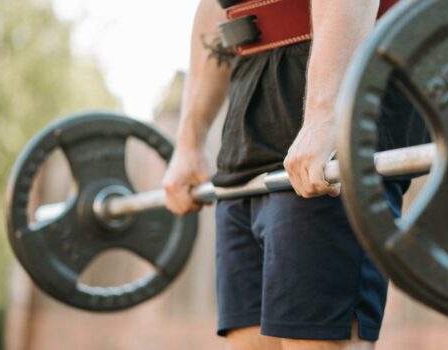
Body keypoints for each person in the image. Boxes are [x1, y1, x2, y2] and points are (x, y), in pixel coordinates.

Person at [162, 0, 424, 349]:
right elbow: (214, 9)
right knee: (247, 342)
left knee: (314, 340)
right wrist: (189, 143)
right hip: (247, 116)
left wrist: (324, 114)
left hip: (334, 86)